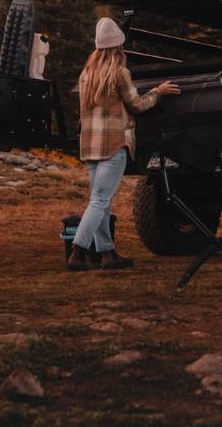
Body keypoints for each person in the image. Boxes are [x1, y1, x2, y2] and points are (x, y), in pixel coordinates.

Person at [68, 17, 180, 271]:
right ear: (118, 46)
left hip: (89, 145)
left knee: (101, 200)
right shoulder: (119, 72)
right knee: (99, 200)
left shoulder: (86, 74)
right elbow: (138, 105)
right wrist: (159, 91)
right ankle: (78, 251)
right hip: (114, 143)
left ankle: (108, 254)